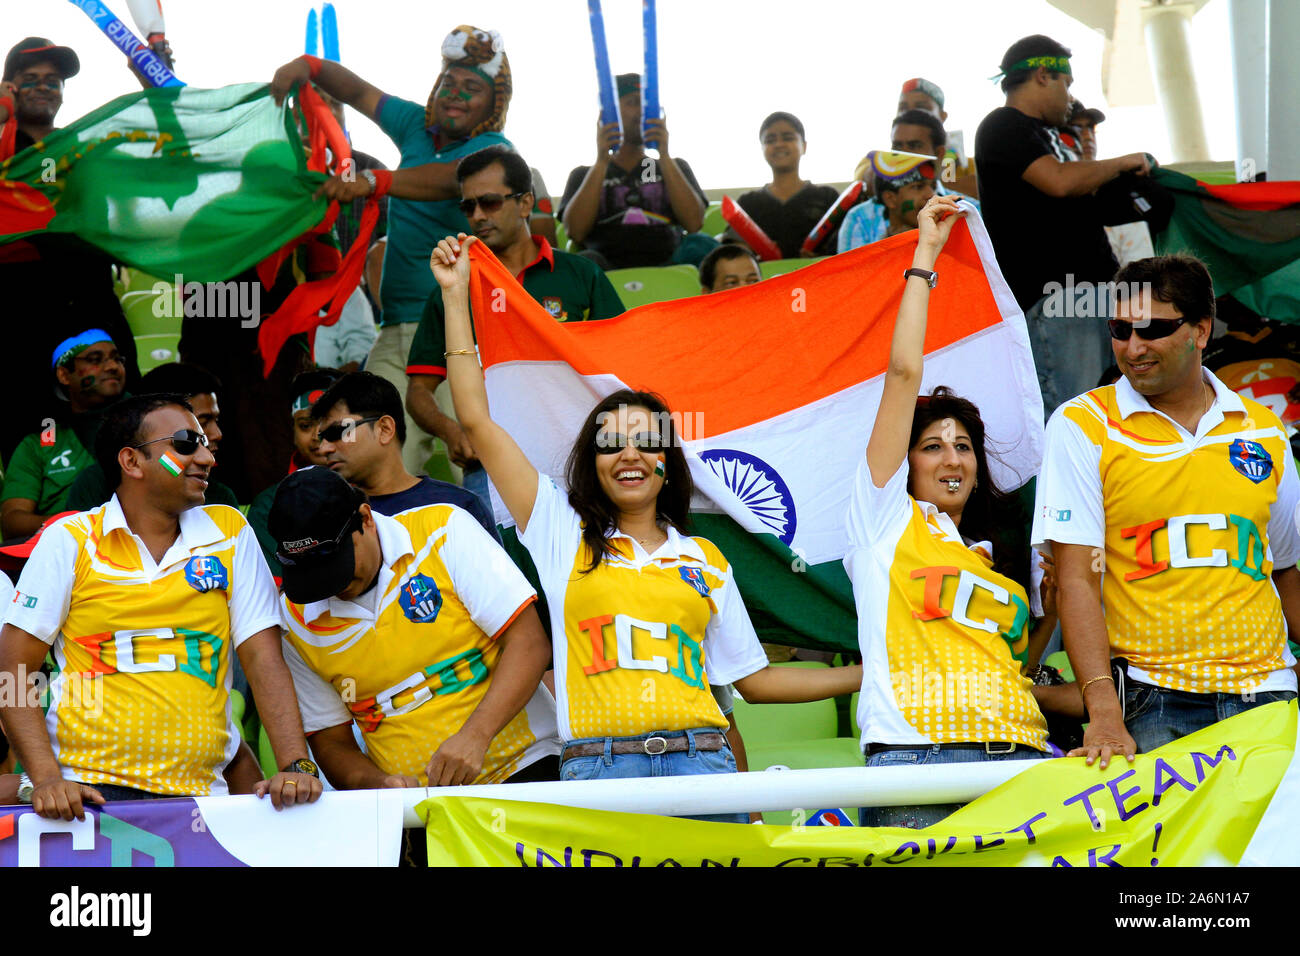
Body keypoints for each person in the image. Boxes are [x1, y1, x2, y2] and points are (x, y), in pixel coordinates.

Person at [430, 231, 862, 823]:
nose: (629, 453)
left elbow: (754, 684)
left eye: (647, 440)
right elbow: (477, 421)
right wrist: (457, 299)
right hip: (597, 775)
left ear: (668, 462)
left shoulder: (706, 558)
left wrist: (875, 670)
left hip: (704, 768)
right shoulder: (559, 532)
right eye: (611, 442)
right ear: (592, 461)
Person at [0, 393, 323, 820]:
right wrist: (44, 779)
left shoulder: (229, 530)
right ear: (132, 462)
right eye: (187, 443)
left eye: (205, 443)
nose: (207, 456)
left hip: (205, 800)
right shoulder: (72, 538)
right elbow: (14, 668)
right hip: (85, 799)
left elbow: (263, 660)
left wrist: (295, 766)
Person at [1032, 254, 1300, 769]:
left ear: (1201, 331)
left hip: (1270, 696)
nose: (1133, 347)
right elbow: (1076, 580)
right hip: (1153, 700)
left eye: (1152, 329)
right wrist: (1103, 710)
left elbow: (1284, 567)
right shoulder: (1083, 424)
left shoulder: (1265, 428)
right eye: (1119, 329)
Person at [846, 194, 1052, 829]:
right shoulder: (883, 520)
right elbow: (904, 373)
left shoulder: (998, 556)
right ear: (904, 464)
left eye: (963, 446)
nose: (951, 458)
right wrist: (925, 257)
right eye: (932, 447)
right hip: (917, 762)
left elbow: (1024, 655)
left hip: (1018, 760)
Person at [271, 24, 516, 478]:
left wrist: (373, 181)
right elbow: (359, 91)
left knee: (473, 454)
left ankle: (502, 546)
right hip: (396, 326)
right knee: (374, 455)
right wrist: (311, 67)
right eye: (449, 83)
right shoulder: (415, 128)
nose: (456, 95)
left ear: (493, 104)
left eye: (472, 88)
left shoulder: (491, 150)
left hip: (460, 330)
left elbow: (453, 180)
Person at [270, 466, 559, 789]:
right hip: (418, 809)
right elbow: (332, 742)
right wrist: (381, 785)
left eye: (337, 565)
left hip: (528, 767)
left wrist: (476, 735)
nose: (331, 586)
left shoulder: (443, 530)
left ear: (365, 518)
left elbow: (530, 643)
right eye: (312, 576)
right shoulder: (293, 619)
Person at [406, 146, 625, 510]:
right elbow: (418, 390)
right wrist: (453, 431)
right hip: (491, 465)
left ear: (525, 203)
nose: (477, 216)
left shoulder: (581, 275)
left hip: (581, 456)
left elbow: (622, 365)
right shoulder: (453, 288)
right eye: (468, 206)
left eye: (489, 202)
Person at [975, 34, 1151, 415]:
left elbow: (1083, 197)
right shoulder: (1002, 125)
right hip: (1059, 300)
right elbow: (1059, 181)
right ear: (1043, 75)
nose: (1070, 97)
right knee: (1075, 420)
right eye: (1066, 84)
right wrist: (1122, 162)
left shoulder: (1051, 139)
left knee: (1110, 420)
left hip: (1094, 297)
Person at [0, 38, 140, 464]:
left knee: (123, 414)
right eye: (31, 80)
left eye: (54, 81)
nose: (45, 88)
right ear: (9, 87)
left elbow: (162, 166)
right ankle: (36, 524)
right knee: (30, 422)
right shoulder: (3, 145)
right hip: (21, 307)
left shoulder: (83, 149)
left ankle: (124, 517)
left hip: (93, 298)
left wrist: (153, 81)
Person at [312, 371, 499, 542]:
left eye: (338, 432)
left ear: (384, 429)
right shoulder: (326, 519)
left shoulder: (458, 507)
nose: (324, 448)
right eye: (322, 437)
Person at [559, 73, 711, 271]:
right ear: (610, 112)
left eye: (647, 105)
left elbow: (694, 224)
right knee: (583, 262)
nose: (642, 112)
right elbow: (576, 232)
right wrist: (602, 161)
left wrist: (664, 155)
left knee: (702, 245)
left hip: (668, 263)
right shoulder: (582, 175)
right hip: (606, 267)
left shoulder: (675, 167)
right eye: (633, 103)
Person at [64, 361, 240, 512]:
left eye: (216, 420)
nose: (217, 434)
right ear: (130, 461)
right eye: (201, 422)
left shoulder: (219, 500)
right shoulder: (94, 485)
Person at [1, 329, 126, 537]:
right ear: (64, 375)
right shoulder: (39, 445)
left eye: (117, 359)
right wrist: (76, 522)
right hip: (67, 548)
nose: (113, 366)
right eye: (95, 360)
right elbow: (12, 521)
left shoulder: (150, 422)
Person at [246, 368, 342, 578]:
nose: (318, 435)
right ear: (293, 432)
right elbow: (280, 590)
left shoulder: (373, 486)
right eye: (306, 425)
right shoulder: (267, 507)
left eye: (328, 423)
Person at [840, 110, 976, 252]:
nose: (903, 155)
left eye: (914, 146)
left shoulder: (967, 211)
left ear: (938, 153)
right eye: (897, 146)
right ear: (890, 198)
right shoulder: (859, 219)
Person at [732, 112, 840, 259]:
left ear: (804, 146)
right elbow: (734, 252)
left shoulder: (828, 198)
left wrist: (821, 256)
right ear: (762, 148)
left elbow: (845, 246)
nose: (779, 144)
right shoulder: (748, 203)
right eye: (770, 140)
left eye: (788, 138)